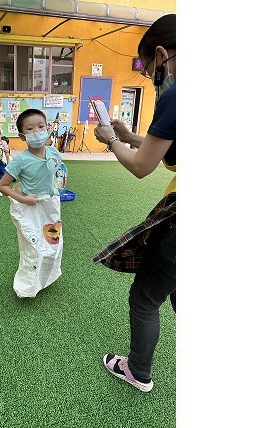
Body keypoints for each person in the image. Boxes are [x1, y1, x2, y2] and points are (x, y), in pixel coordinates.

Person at [92, 13, 176, 393]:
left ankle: (138, 371)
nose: (151, 77)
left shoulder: (175, 94)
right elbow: (167, 148)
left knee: (145, 298)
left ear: (160, 55)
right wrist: (128, 135)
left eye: (147, 69)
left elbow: (143, 166)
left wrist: (111, 140)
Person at [0, 108, 63, 297]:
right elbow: (2, 186)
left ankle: (46, 278)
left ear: (47, 128)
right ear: (22, 136)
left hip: (50, 207)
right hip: (30, 208)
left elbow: (58, 172)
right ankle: (27, 285)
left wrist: (58, 186)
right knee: (34, 248)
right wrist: (24, 199)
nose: (37, 132)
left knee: (53, 244)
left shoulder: (53, 152)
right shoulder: (21, 160)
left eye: (41, 126)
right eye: (30, 128)